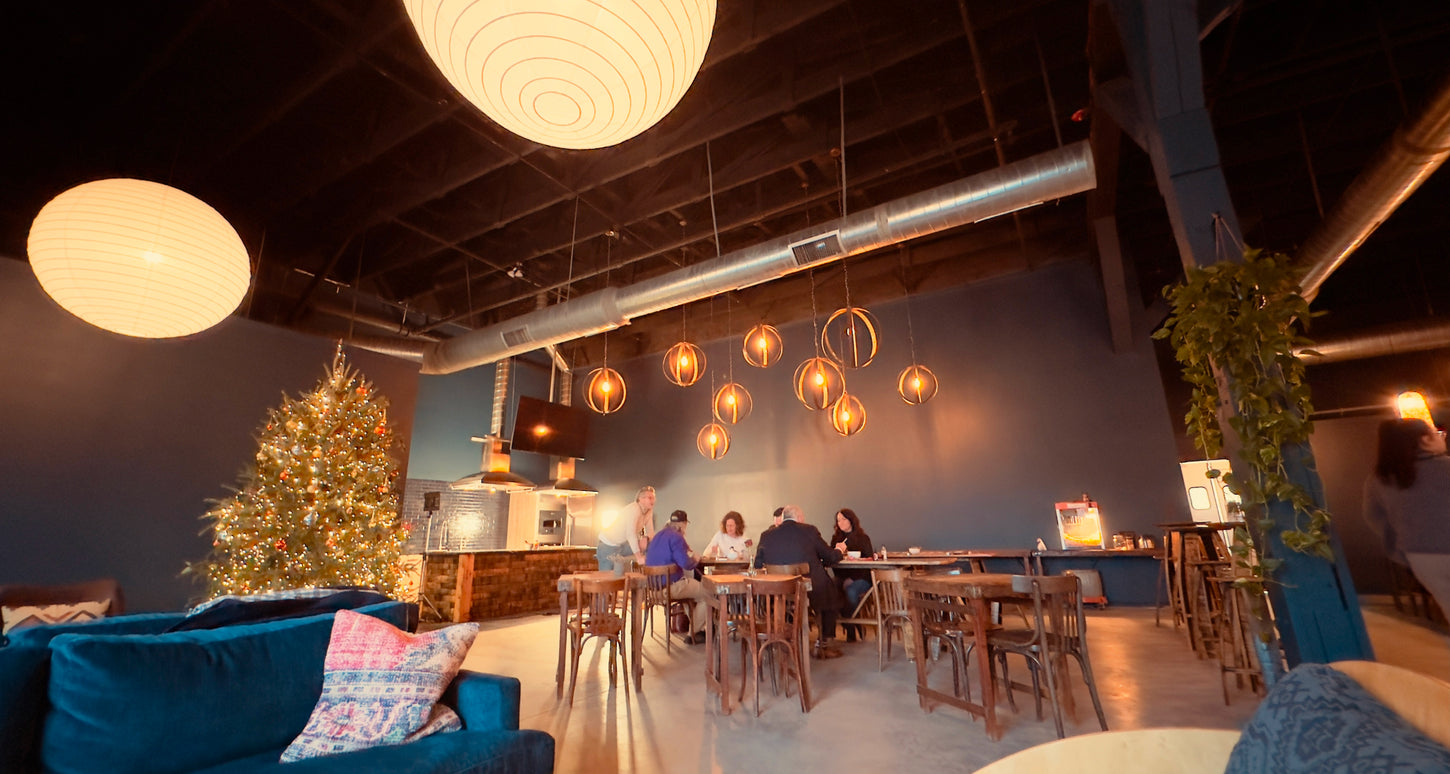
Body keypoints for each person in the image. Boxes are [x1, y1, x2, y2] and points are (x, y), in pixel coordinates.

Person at [1364, 418, 1450, 620]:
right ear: (1424, 440)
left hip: (1420, 557)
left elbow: (1374, 517)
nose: (1442, 438)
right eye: (1437, 434)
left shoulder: (1379, 480)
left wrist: (1399, 547)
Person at [753, 504, 846, 659]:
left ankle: (783, 639)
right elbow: (829, 556)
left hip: (778, 592)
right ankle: (824, 644)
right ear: (799, 518)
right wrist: (840, 550)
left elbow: (757, 564)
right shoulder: (809, 530)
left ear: (782, 518)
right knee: (831, 591)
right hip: (810, 590)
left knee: (786, 601)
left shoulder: (766, 535)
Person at [644, 509, 710, 644]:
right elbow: (686, 564)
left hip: (652, 591)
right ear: (683, 524)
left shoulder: (658, 536)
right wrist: (696, 558)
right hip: (670, 588)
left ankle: (697, 629)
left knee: (691, 591)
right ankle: (693, 632)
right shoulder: (677, 537)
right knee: (708, 593)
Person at [829, 507, 874, 642]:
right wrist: (843, 578)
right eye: (838, 520)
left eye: (843, 519)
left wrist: (852, 578)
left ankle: (851, 626)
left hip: (862, 578)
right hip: (842, 576)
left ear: (851, 520)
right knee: (831, 587)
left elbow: (869, 560)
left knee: (851, 591)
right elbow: (833, 560)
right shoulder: (836, 540)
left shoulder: (863, 538)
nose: (840, 523)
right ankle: (851, 625)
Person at [597, 486, 655, 576]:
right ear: (641, 499)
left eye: (654, 497)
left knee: (646, 545)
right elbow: (630, 534)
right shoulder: (634, 509)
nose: (653, 500)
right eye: (650, 498)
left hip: (622, 545)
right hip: (607, 546)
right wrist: (638, 557)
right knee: (606, 579)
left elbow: (651, 531)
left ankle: (650, 569)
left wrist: (646, 539)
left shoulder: (648, 511)